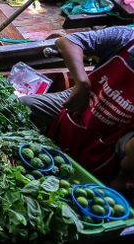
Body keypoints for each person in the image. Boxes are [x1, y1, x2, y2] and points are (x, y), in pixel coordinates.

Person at [20, 26, 134, 194]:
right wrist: (82, 83)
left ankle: (112, 189)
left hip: (121, 130)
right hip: (88, 97)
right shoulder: (126, 37)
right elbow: (67, 42)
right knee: (23, 106)